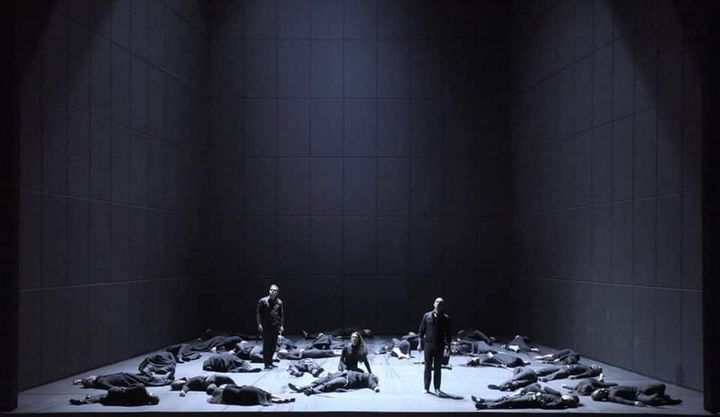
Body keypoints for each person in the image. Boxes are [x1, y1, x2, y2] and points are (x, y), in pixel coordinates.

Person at [418, 297, 451, 394]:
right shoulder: (427, 316)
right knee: (427, 366)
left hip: (440, 345)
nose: (438, 303)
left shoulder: (446, 318)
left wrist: (448, 347)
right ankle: (426, 387)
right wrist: (420, 344)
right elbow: (421, 331)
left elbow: (448, 334)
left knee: (437, 367)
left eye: (440, 303)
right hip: (428, 344)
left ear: (443, 306)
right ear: (434, 304)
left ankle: (437, 388)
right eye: (437, 302)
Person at [257, 284, 284, 370]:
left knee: (273, 345)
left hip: (275, 326)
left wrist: (281, 325)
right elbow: (258, 313)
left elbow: (281, 315)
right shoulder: (263, 301)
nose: (272, 291)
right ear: (269, 291)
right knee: (267, 345)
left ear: (277, 292)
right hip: (266, 326)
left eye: (275, 290)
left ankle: (270, 361)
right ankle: (266, 363)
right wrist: (259, 324)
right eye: (271, 289)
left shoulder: (279, 302)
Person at [288, 370, 380, 395]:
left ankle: (312, 391)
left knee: (329, 384)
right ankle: (301, 388)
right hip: (339, 374)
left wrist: (375, 387)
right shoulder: (362, 372)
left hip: (346, 380)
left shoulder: (369, 377)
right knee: (319, 381)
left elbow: (371, 382)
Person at [590, 383, 682, 406]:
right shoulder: (611, 397)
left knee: (661, 386)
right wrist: (634, 403)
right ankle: (665, 400)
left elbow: (614, 384)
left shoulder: (610, 389)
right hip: (637, 396)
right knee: (652, 399)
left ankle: (665, 399)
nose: (601, 390)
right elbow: (621, 400)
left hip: (639, 388)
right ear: (602, 397)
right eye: (600, 392)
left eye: (599, 390)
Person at [69, 384, 160, 406]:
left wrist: (122, 388)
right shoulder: (142, 402)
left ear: (152, 395)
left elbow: (128, 387)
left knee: (102, 397)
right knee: (102, 397)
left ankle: (84, 401)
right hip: (116, 399)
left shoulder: (141, 388)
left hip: (116, 393)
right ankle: (86, 400)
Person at [207, 384, 295, 405]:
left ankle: (279, 401)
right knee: (267, 394)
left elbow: (223, 401)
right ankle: (282, 398)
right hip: (248, 388)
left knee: (261, 399)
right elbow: (236, 385)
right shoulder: (226, 386)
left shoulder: (218, 397)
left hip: (244, 395)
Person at [73, 372, 173, 390]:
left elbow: (90, 378)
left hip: (124, 376)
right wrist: (123, 389)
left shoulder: (98, 379)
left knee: (143, 377)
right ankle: (165, 380)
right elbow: (110, 387)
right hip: (125, 380)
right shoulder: (100, 382)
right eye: (89, 378)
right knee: (145, 380)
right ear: (91, 381)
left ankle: (164, 378)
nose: (91, 376)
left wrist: (79, 381)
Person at [170, 374, 237, 396]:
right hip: (210, 384)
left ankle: (236, 386)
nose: (179, 383)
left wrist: (183, 391)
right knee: (211, 389)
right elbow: (187, 386)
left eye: (177, 382)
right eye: (177, 385)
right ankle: (231, 390)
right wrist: (183, 390)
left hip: (210, 379)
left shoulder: (188, 381)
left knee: (227, 378)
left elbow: (188, 384)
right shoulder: (187, 385)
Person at [537, 364, 602, 381]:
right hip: (565, 367)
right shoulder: (588, 367)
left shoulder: (590, 371)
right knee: (547, 369)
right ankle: (536, 373)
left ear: (596, 370)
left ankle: (544, 378)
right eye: (597, 365)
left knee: (555, 374)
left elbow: (584, 374)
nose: (595, 365)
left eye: (597, 367)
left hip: (568, 370)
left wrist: (575, 376)